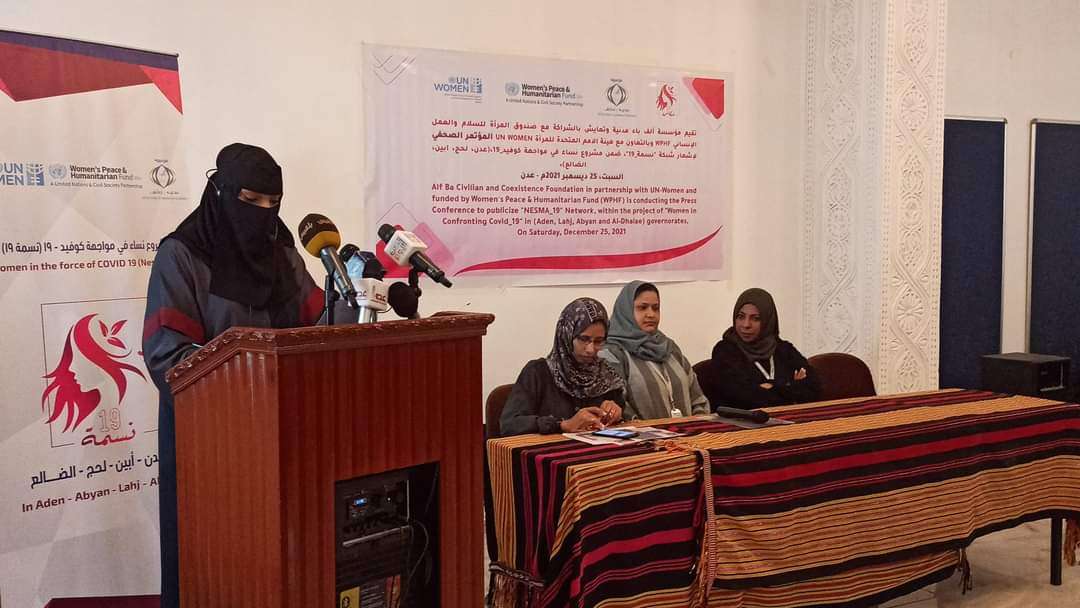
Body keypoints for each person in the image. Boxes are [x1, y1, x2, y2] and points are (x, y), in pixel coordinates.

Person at [142, 143, 335, 608]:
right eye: (250, 200)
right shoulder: (182, 254)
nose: (263, 213)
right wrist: (247, 385)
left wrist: (353, 299)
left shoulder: (281, 252)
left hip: (283, 438)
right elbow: (168, 356)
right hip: (210, 446)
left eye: (273, 203)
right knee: (214, 571)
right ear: (222, 193)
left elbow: (318, 325)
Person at [500, 297, 626, 436]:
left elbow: (617, 422)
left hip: (596, 448)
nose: (591, 349)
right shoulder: (538, 372)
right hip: (549, 449)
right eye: (583, 339)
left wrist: (614, 413)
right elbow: (509, 425)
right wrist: (562, 425)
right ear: (566, 335)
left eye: (598, 341)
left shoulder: (606, 376)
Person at [600, 281, 710, 420]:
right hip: (642, 433)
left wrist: (699, 424)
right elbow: (617, 405)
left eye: (655, 308)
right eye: (642, 308)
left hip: (689, 431)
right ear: (625, 311)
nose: (651, 314)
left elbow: (697, 398)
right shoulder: (613, 353)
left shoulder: (669, 348)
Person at [704, 287, 821, 409]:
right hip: (741, 419)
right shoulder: (725, 351)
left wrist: (770, 387)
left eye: (755, 318)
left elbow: (815, 389)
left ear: (768, 320)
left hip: (787, 418)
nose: (746, 325)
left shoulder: (783, 349)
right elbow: (745, 399)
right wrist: (789, 385)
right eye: (741, 317)